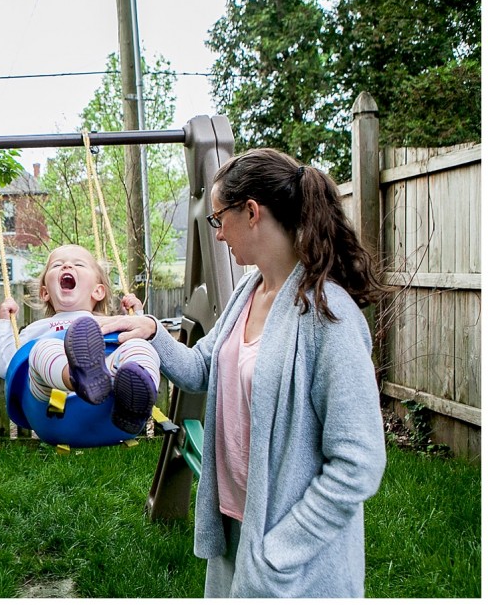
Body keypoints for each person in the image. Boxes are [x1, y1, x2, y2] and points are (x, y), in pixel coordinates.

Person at [98, 148, 389, 597]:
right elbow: (200, 369)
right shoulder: (248, 290)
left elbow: (359, 462)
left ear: (251, 212)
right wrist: (152, 331)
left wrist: (279, 549)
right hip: (237, 528)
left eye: (218, 219)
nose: (217, 235)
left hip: (294, 561)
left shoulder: (330, 318)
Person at [0, 244, 160, 434]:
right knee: (42, 348)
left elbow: (142, 336)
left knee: (137, 346)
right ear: (45, 292)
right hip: (52, 406)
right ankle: (77, 377)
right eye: (57, 265)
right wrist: (4, 323)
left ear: (98, 291)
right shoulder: (38, 329)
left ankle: (135, 405)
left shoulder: (111, 323)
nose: (67, 267)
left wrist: (137, 316)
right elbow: (7, 366)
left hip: (112, 405)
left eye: (78, 264)